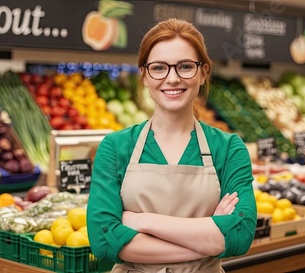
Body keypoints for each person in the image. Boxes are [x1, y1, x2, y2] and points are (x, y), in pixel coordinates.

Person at [86, 18, 257, 273]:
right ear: (144, 75)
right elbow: (103, 241)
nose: (173, 78)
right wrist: (208, 238)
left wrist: (142, 221)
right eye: (159, 68)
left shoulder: (229, 148)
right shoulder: (115, 147)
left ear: (203, 72)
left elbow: (240, 235)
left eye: (185, 66)